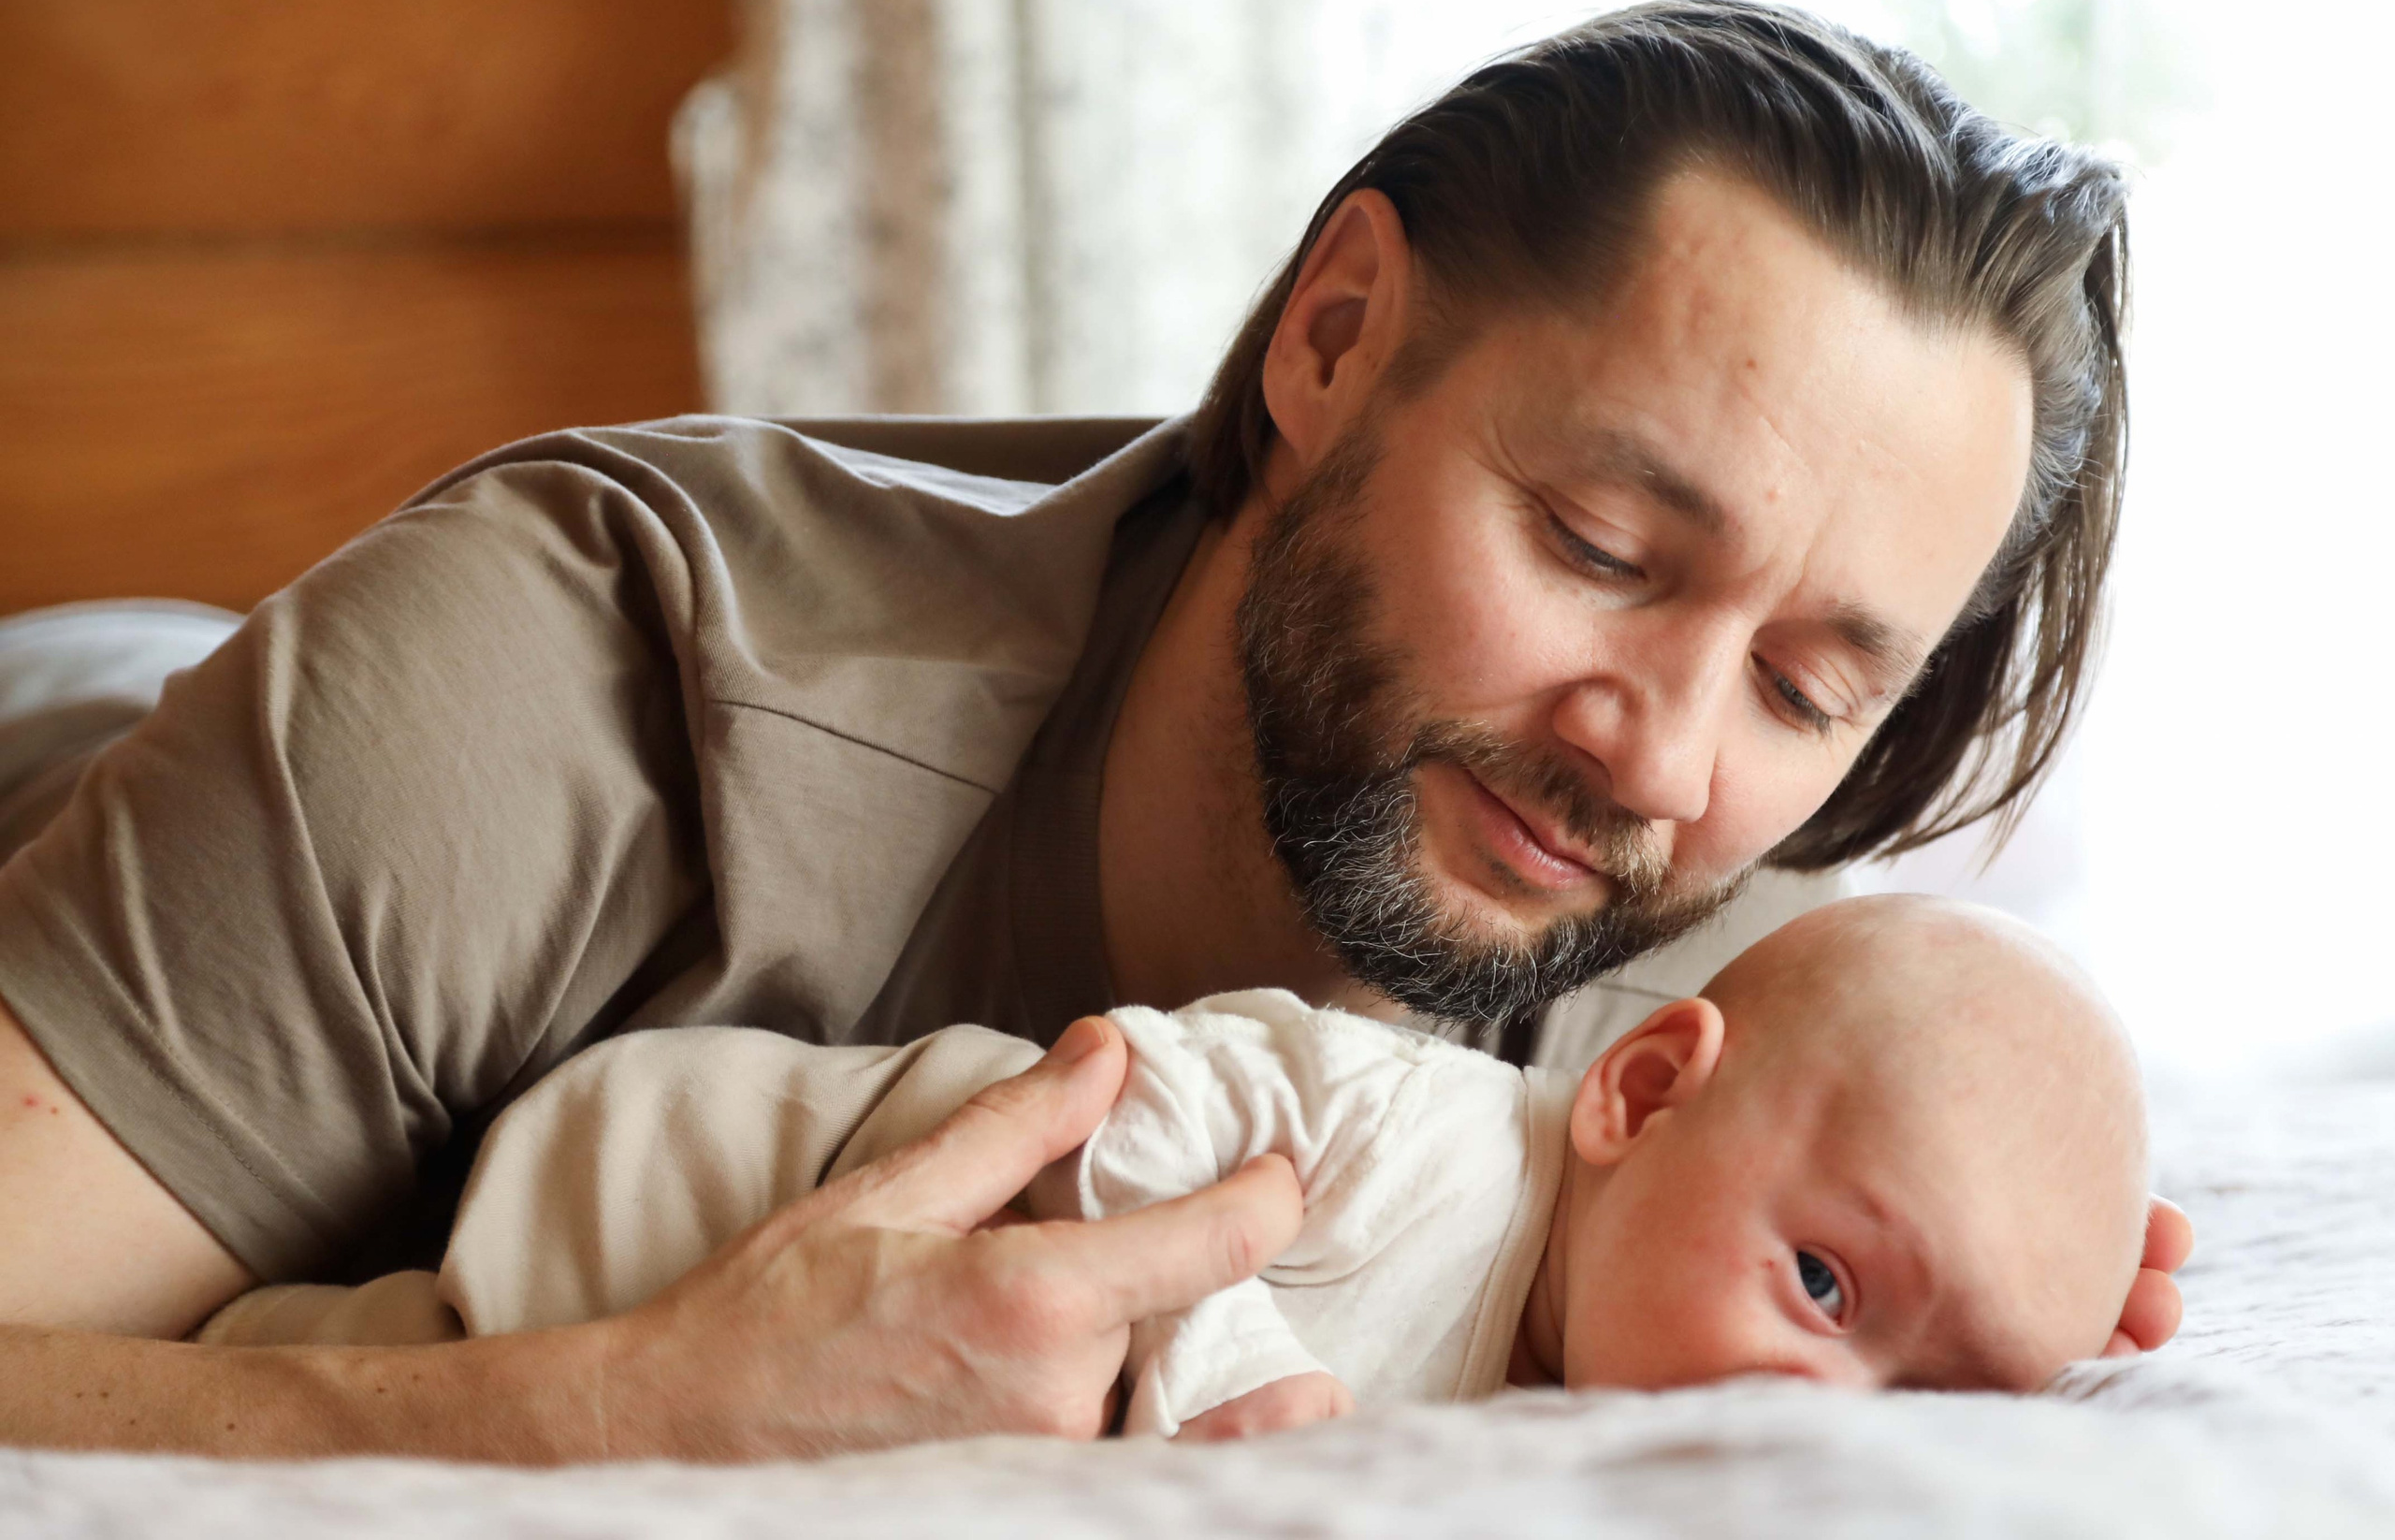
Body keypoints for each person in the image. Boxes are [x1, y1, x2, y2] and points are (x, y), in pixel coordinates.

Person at [0, 0, 2189, 1461]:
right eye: (1600, 543)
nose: (1659, 758)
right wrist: (619, 1407)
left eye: (1811, 681)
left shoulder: (1719, 922)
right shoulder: (546, 709)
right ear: (1331, 340)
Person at [196, 895, 2153, 1445]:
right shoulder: (1409, 1129)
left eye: (1930, 1396)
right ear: (1635, 1090)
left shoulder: (1584, 1410)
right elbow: (1118, 1111)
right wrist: (1217, 1390)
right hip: (690, 1184)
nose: (1828, 1409)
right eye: (1821, 1286)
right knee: (381, 1348)